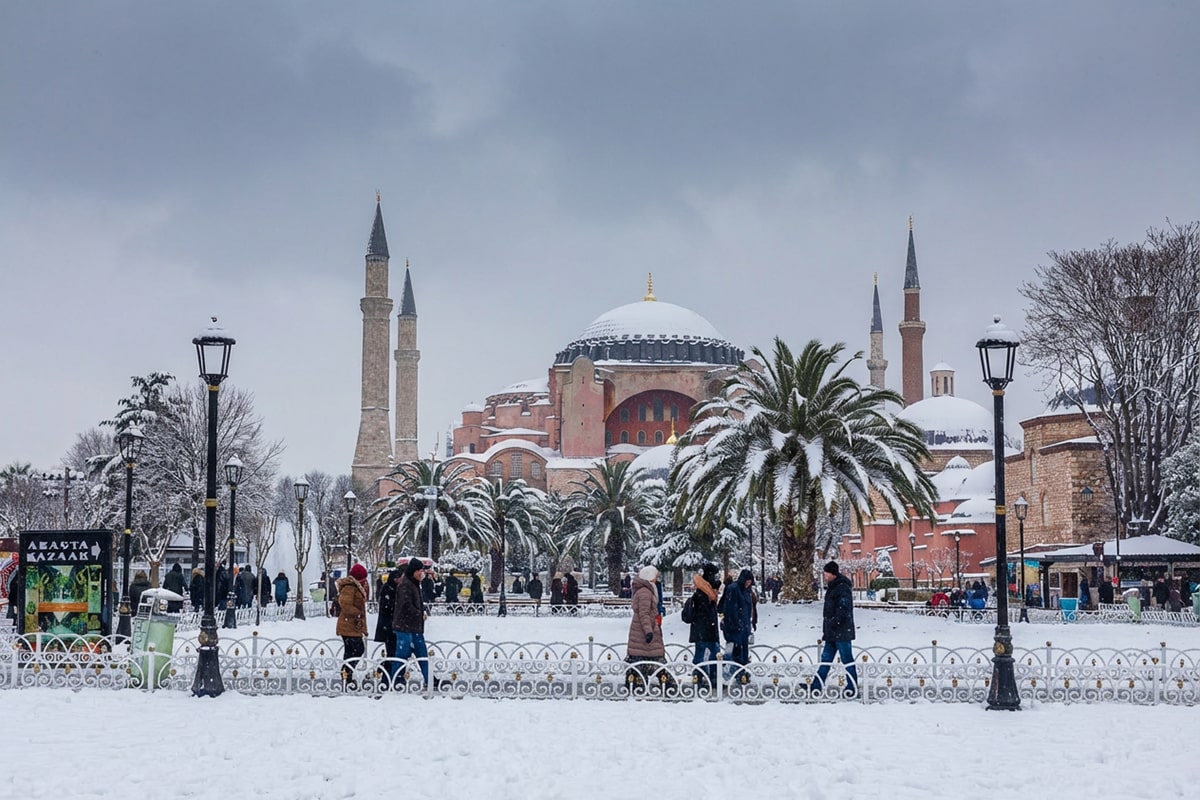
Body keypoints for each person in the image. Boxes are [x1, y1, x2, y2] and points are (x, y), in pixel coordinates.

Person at [814, 561, 858, 697]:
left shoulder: (842, 587)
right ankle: (816, 685)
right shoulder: (834, 586)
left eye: (826, 573)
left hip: (841, 631)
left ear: (832, 574)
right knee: (826, 659)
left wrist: (834, 622)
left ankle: (852, 686)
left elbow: (843, 609)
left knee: (846, 659)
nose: (824, 576)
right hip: (832, 631)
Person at [393, 557, 436, 688]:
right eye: (419, 570)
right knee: (401, 655)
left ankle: (430, 680)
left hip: (414, 627)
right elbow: (406, 605)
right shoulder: (406, 585)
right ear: (413, 571)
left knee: (422, 654)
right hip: (405, 627)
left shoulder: (414, 584)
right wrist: (419, 614)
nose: (421, 573)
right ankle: (395, 679)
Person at [625, 565, 668, 691]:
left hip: (644, 629)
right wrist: (649, 631)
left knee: (642, 658)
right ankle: (667, 686)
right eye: (655, 576)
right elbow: (644, 613)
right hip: (644, 631)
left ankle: (637, 684)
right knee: (653, 658)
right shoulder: (645, 592)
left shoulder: (647, 589)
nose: (657, 579)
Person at [335, 563, 370, 689]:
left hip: (352, 625)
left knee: (351, 651)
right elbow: (344, 603)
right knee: (357, 649)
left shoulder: (357, 586)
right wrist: (357, 613)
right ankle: (346, 674)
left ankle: (347, 675)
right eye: (363, 578)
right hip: (348, 625)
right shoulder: (350, 587)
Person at [688, 562, 722, 688]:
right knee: (704, 654)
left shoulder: (706, 592)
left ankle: (710, 678)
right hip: (703, 630)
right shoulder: (702, 593)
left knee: (711, 654)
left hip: (706, 630)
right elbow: (706, 611)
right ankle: (700, 677)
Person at [720, 568, 756, 679]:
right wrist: (736, 623)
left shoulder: (747, 591)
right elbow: (730, 608)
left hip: (744, 626)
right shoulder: (734, 589)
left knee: (743, 652)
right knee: (736, 651)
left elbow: (749, 608)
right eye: (747, 581)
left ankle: (742, 672)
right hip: (735, 627)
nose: (748, 583)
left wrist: (751, 623)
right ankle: (736, 673)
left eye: (750, 582)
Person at [374, 568, 401, 685]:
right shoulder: (388, 589)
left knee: (394, 652)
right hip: (389, 627)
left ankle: (388, 673)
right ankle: (386, 676)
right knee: (391, 652)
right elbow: (387, 607)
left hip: (392, 626)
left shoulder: (392, 588)